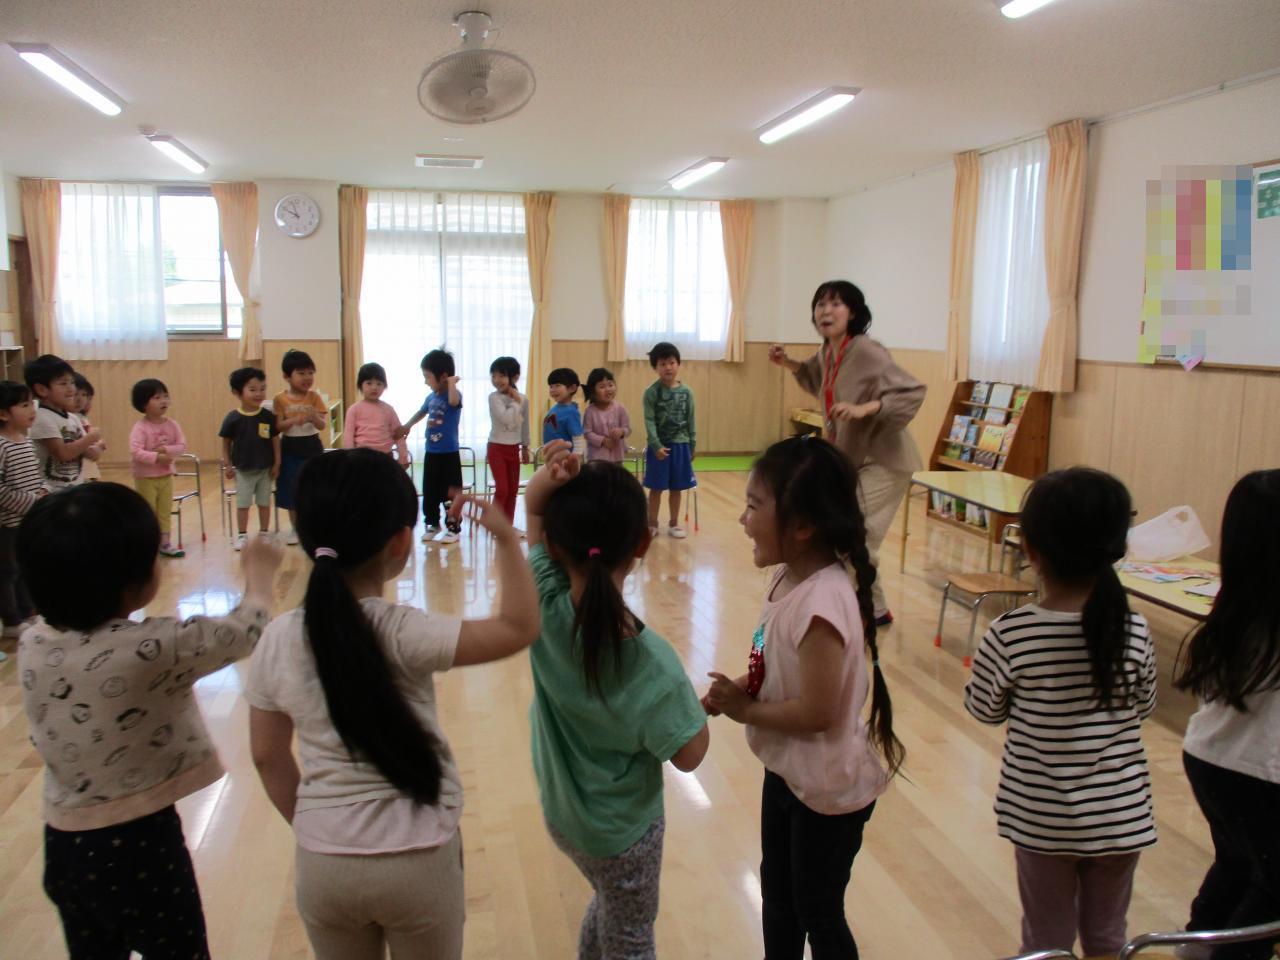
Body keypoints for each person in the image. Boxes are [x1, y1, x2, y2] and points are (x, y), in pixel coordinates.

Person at [246, 448, 539, 960]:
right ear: (401, 543)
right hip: (419, 857)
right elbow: (518, 627)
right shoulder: (404, 630)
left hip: (323, 862)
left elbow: (267, 756)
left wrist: (316, 827)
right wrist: (505, 538)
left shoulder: (276, 638)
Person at [16, 482, 281, 960]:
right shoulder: (149, 648)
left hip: (64, 843)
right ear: (132, 583)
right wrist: (260, 574)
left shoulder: (33, 641)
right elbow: (243, 632)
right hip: (140, 844)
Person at [704, 435, 902, 960]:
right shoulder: (787, 579)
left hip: (828, 792)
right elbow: (772, 659)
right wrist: (743, 687)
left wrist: (747, 710)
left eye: (753, 506)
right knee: (778, 896)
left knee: (817, 909)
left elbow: (818, 712)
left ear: (802, 526)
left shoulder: (822, 605)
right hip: (790, 773)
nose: (743, 519)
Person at [525, 440, 709, 959]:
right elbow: (690, 754)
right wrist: (692, 710)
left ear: (554, 546)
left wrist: (545, 481)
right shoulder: (654, 665)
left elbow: (533, 513)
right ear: (643, 543)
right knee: (631, 938)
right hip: (624, 838)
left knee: (609, 904)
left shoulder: (543, 603)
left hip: (564, 818)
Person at [965, 467, 1157, 959]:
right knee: (1108, 938)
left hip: (1042, 818)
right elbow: (1143, 705)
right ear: (1117, 547)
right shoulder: (1134, 628)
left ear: (1029, 549)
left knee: (1046, 942)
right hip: (1120, 814)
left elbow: (984, 709)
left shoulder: (1011, 633)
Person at [769, 281, 926, 626]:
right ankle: (877, 609)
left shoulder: (867, 351)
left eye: (835, 304)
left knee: (853, 533)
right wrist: (788, 363)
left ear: (852, 312)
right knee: (849, 532)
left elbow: (912, 391)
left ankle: (861, 610)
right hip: (853, 458)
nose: (826, 311)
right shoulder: (829, 351)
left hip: (885, 460)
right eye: (820, 305)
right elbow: (815, 377)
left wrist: (866, 407)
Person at [1173, 469, 1280, 960]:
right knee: (1272, 887)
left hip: (1210, 759)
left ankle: (1197, 943)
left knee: (1237, 862)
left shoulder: (1236, 606)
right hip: (1261, 774)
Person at [398, 349, 463, 544]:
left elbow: (453, 401)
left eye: (427, 376)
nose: (425, 381)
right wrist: (407, 425)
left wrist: (451, 383)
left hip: (449, 454)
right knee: (430, 490)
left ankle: (453, 527)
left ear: (442, 376)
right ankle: (433, 524)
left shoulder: (453, 395)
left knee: (450, 492)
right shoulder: (431, 397)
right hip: (431, 453)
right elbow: (421, 412)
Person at [0, 380, 43, 649]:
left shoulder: (26, 442)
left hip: (28, 519)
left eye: (31, 404)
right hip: (8, 523)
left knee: (26, 566)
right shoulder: (2, 446)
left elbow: (36, 476)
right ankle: (12, 619)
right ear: (4, 414)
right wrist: (30, 502)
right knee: (8, 571)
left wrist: (43, 491)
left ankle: (28, 612)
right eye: (25, 405)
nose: (32, 410)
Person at [220, 366, 280, 551]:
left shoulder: (268, 416)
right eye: (252, 389)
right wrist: (228, 464)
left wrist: (277, 463)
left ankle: (264, 533)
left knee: (264, 503)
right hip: (243, 470)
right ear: (237, 392)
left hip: (265, 469)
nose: (259, 393)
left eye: (262, 389)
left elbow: (275, 440)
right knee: (243, 504)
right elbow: (225, 444)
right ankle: (242, 534)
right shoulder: (233, 418)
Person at [273, 349, 330, 545]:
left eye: (310, 373)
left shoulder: (314, 397)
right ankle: (296, 529)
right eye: (301, 373)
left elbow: (322, 425)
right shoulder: (280, 399)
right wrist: (294, 420)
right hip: (290, 448)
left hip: (312, 446)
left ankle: (313, 527)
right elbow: (278, 426)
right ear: (287, 376)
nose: (307, 377)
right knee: (292, 489)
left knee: (314, 488)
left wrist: (313, 417)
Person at [642, 342, 696, 539]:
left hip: (681, 445)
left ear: (678, 364)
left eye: (672, 362)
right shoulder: (651, 392)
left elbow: (691, 419)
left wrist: (692, 445)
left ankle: (674, 523)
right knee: (656, 488)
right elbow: (649, 420)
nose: (668, 367)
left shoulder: (687, 392)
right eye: (662, 364)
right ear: (655, 368)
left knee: (677, 488)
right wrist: (656, 445)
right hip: (659, 447)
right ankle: (652, 523)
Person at [24, 354, 102, 490]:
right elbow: (63, 454)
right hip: (51, 492)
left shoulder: (73, 418)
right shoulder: (42, 418)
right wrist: (91, 438)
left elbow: (89, 453)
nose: (71, 388)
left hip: (74, 487)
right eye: (63, 383)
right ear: (42, 389)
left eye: (72, 382)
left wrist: (96, 448)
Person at [129, 378, 188, 558]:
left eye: (165, 396)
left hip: (166, 475)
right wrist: (157, 458)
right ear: (143, 404)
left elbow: (182, 446)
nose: (163, 401)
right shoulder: (140, 427)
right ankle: (148, 543)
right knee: (148, 512)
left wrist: (166, 450)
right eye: (156, 397)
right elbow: (136, 452)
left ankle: (165, 543)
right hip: (145, 478)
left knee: (164, 511)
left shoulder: (172, 425)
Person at [486, 355, 530, 523]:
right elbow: (505, 418)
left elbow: (525, 425)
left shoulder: (523, 399)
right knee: (502, 489)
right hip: (496, 447)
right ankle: (495, 524)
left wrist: (525, 447)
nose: (497, 380)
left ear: (515, 377)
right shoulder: (494, 397)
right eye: (494, 375)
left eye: (502, 375)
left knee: (512, 490)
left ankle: (507, 526)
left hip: (513, 448)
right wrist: (515, 402)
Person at [341, 362, 409, 467]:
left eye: (379, 383)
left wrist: (403, 458)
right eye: (369, 383)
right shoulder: (354, 410)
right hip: (361, 458)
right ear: (360, 385)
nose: (374, 387)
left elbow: (399, 435)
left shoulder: (388, 409)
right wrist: (350, 460)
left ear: (384, 386)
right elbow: (348, 438)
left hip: (385, 457)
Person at [582, 367, 631, 464]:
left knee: (616, 474)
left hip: (617, 456)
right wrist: (603, 440)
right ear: (593, 392)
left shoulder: (620, 408)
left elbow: (628, 429)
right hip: (597, 458)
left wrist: (621, 432)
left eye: (610, 385)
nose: (608, 389)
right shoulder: (590, 411)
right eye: (602, 387)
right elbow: (587, 433)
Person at [542, 367, 585, 456]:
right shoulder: (555, 408)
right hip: (552, 456)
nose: (553, 389)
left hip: (564, 458)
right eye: (551, 386)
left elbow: (578, 438)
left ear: (572, 388)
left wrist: (576, 457)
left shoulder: (571, 412)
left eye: (557, 385)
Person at [72, 373, 102, 481]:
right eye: (75, 394)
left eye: (84, 395)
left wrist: (97, 443)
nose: (79, 400)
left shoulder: (81, 417)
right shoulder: (70, 419)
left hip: (86, 469)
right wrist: (93, 443)